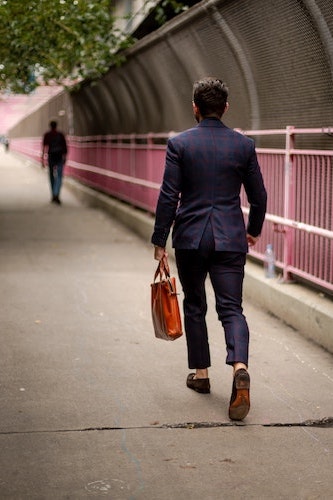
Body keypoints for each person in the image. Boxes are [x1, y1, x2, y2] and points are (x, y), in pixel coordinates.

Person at [151, 77, 267, 420]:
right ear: (226, 108)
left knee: (195, 303)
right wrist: (252, 231)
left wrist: (160, 240)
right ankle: (239, 368)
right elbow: (258, 196)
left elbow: (169, 195)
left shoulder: (180, 145)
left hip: (190, 238)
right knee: (232, 309)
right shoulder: (243, 145)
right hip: (231, 237)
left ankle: (201, 375)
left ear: (195, 108)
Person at [42, 120, 67, 204]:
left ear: (50, 126)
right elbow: (65, 147)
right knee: (59, 176)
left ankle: (53, 194)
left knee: (51, 176)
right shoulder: (60, 135)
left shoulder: (47, 135)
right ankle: (56, 194)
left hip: (51, 157)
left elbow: (44, 147)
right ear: (56, 126)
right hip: (59, 157)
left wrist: (42, 159)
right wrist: (65, 158)